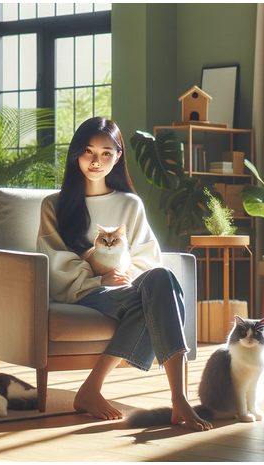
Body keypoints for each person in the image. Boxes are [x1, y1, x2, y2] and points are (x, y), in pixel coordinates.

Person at [37, 116, 212, 431]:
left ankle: (178, 398)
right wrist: (100, 279)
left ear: (118, 156)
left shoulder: (130, 204)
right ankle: (103, 390)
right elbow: (53, 257)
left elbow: (148, 255)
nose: (96, 161)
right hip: (85, 291)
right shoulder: (54, 205)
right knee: (149, 303)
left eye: (106, 153)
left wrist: (126, 273)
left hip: (127, 287)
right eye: (88, 151)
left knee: (162, 279)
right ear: (76, 153)